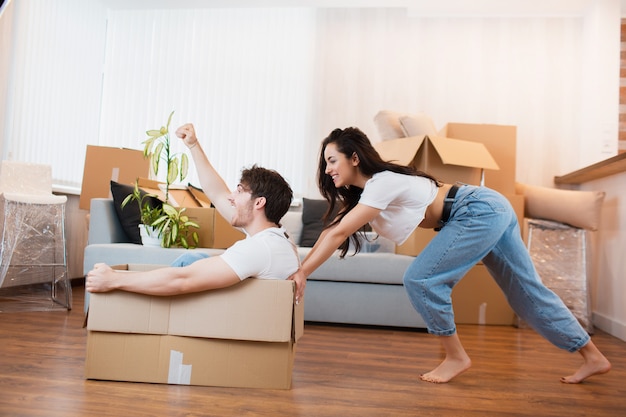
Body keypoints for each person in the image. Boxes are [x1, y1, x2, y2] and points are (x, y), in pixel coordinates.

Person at [288, 126, 611, 384]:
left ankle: (456, 357)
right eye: (325, 162)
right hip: (482, 207)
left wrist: (302, 273)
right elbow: (334, 230)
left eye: (332, 160)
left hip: (476, 210)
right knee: (526, 292)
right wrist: (300, 267)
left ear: (354, 158)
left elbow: (338, 233)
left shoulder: (381, 183)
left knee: (421, 279)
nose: (327, 169)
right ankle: (593, 356)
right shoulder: (369, 193)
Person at [86, 123, 299, 296]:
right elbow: (216, 192)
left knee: (187, 266)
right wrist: (194, 145)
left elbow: (182, 281)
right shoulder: (277, 239)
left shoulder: (259, 248)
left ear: (259, 203)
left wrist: (114, 279)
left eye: (239, 191)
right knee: (193, 259)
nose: (231, 198)